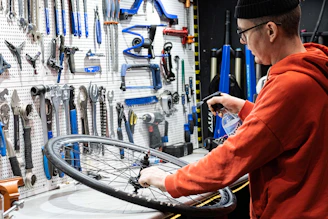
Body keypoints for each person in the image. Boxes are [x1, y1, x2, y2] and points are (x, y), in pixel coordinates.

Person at [139, 0, 328, 218]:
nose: (242, 40)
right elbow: (293, 128)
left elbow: (233, 156)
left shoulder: (289, 85)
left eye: (244, 32)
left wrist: (168, 181)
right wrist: (246, 109)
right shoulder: (314, 68)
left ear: (270, 30)